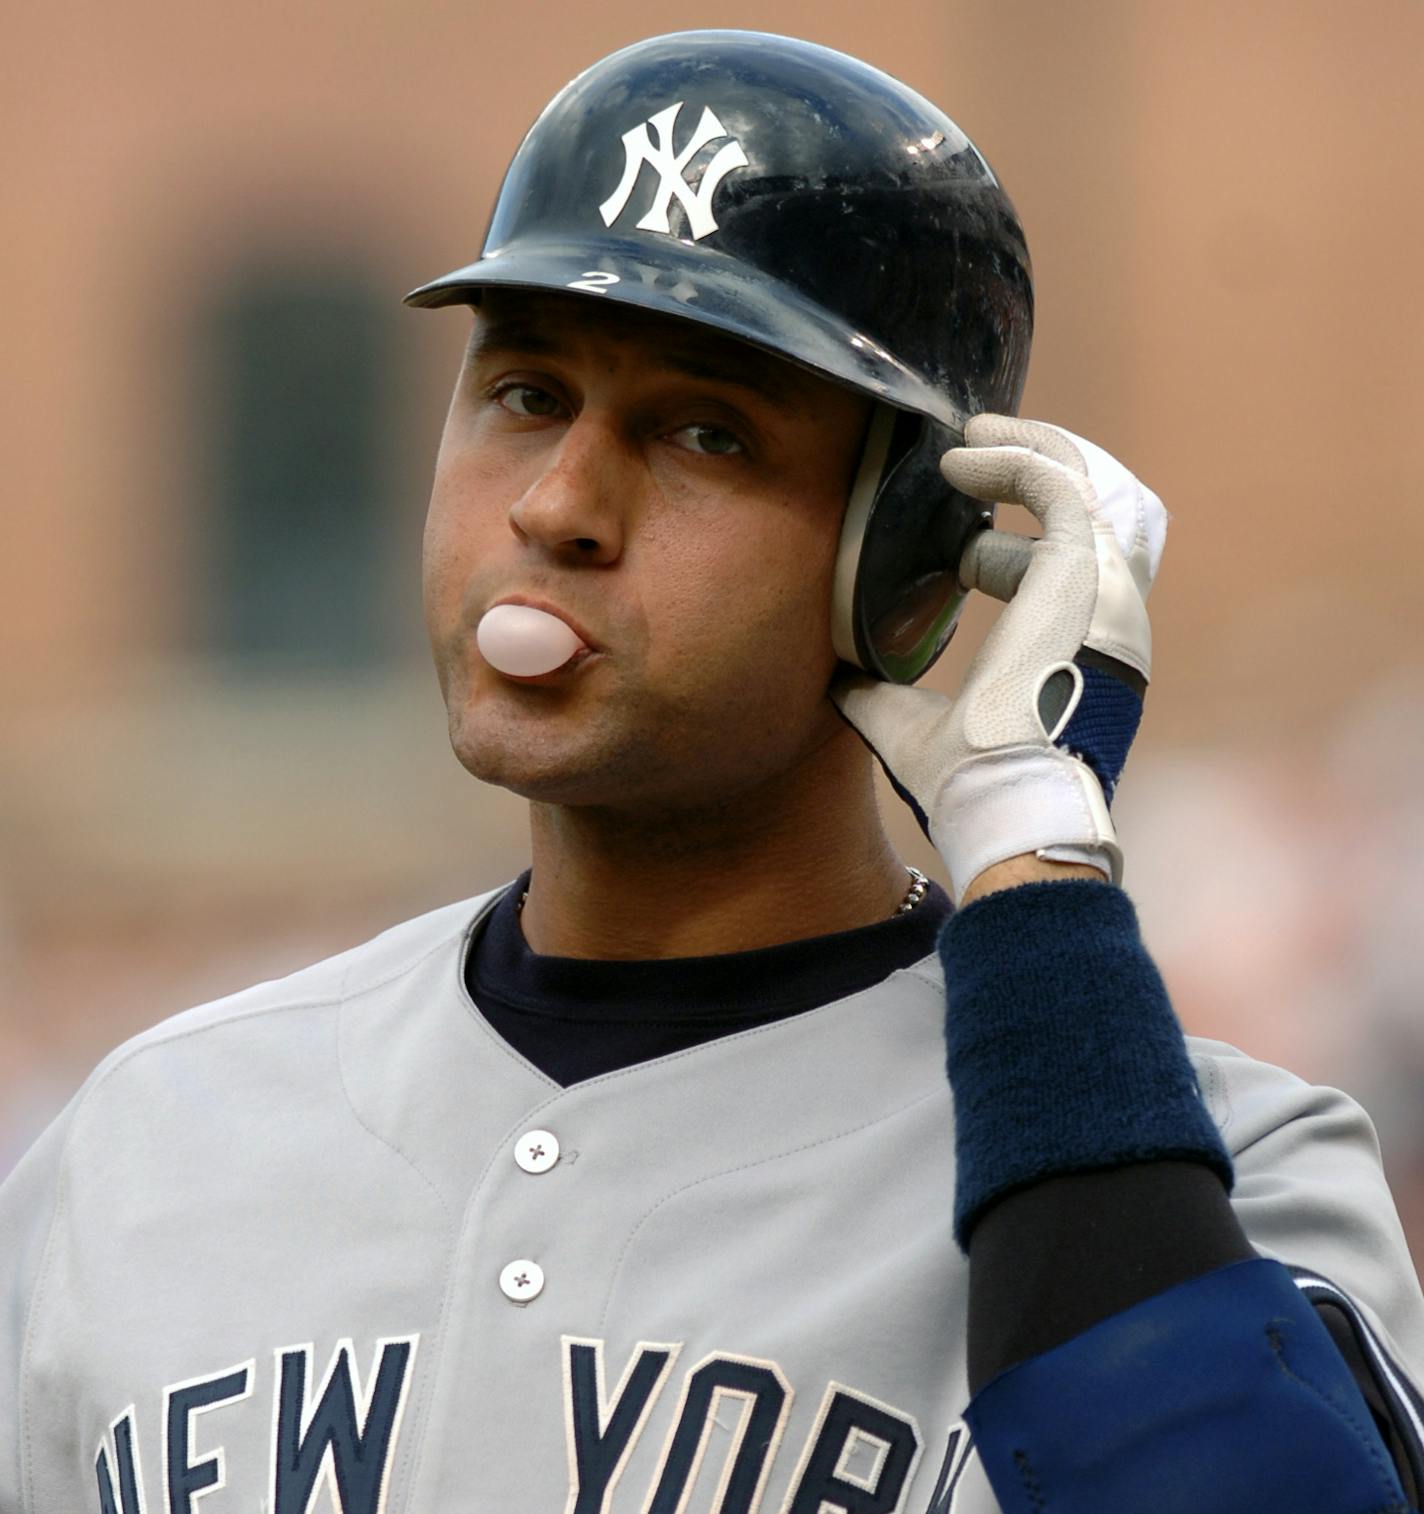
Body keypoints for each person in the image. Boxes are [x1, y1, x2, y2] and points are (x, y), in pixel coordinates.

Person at [3, 30, 1422, 1514]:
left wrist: (1031, 857)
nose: (557, 506)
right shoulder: (148, 1137)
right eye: (527, 393)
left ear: (906, 570)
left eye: (704, 431)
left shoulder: (1197, 1170)